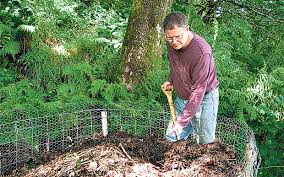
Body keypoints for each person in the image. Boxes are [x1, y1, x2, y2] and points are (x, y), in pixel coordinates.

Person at [162, 12, 219, 144]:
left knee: (205, 142)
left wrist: (182, 121)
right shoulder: (172, 42)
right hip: (182, 97)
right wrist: (170, 80)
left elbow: (199, 90)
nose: (174, 42)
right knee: (172, 138)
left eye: (178, 36)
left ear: (187, 29)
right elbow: (176, 64)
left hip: (205, 98)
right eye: (169, 38)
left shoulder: (201, 52)